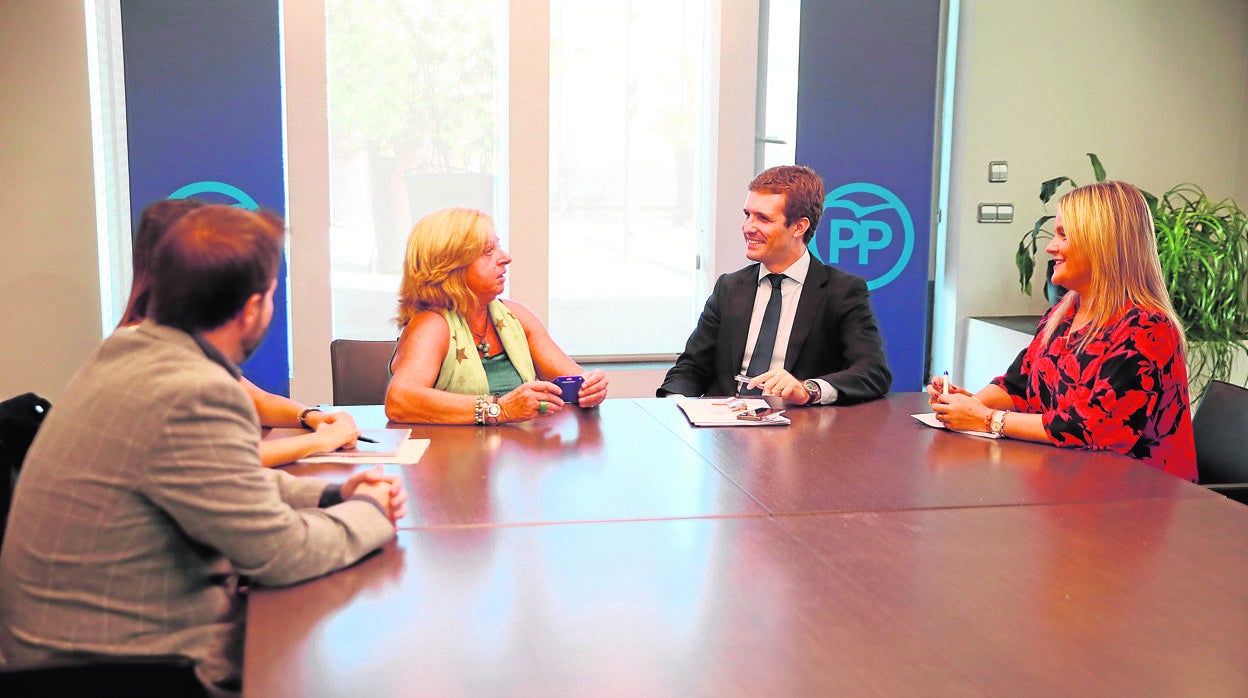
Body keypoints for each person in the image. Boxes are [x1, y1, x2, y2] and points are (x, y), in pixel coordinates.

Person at [0, 204, 407, 695]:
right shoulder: (195, 390)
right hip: (124, 668)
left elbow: (223, 478)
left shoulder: (130, 352)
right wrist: (370, 511)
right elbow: (282, 555)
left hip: (71, 651)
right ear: (251, 308)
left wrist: (331, 495)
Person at [928, 181, 1197, 481]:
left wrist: (988, 420)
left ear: (1101, 244)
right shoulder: (1063, 315)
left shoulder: (1146, 328)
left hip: (1138, 501)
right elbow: (1019, 386)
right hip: (1071, 487)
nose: (1050, 247)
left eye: (1063, 235)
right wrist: (966, 405)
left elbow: (1096, 429)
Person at [120, 198, 362, 467]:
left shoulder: (162, 343)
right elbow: (228, 462)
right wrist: (321, 441)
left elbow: (256, 400)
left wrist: (310, 416)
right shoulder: (157, 358)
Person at [657, 165, 891, 404]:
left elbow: (873, 371)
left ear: (799, 227)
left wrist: (807, 389)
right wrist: (675, 402)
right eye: (747, 215)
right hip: (724, 428)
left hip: (797, 430)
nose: (748, 227)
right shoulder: (729, 287)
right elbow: (692, 366)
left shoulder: (841, 291)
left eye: (763, 219)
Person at [386, 207, 608, 424]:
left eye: (498, 247)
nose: (506, 258)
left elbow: (570, 379)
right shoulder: (432, 324)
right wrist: (499, 409)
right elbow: (400, 400)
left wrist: (590, 387)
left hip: (511, 454)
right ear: (450, 265)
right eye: (487, 251)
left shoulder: (515, 315)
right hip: (449, 456)